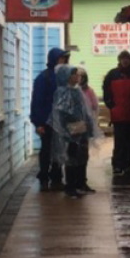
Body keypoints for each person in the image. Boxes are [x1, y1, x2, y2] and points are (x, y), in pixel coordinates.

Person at [49, 64, 93, 198]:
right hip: (70, 129)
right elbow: (61, 113)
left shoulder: (77, 90)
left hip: (80, 128)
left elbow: (85, 111)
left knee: (82, 157)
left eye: (77, 74)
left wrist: (88, 125)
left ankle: (80, 183)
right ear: (67, 76)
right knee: (71, 158)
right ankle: (70, 186)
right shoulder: (62, 92)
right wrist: (66, 131)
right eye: (74, 74)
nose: (77, 76)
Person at [30, 47, 69, 191]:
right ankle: (44, 175)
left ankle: (57, 175)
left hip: (61, 121)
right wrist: (38, 122)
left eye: (64, 59)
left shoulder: (64, 77)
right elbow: (37, 101)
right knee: (46, 149)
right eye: (61, 58)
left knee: (59, 149)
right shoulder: (44, 78)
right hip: (47, 121)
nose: (63, 61)